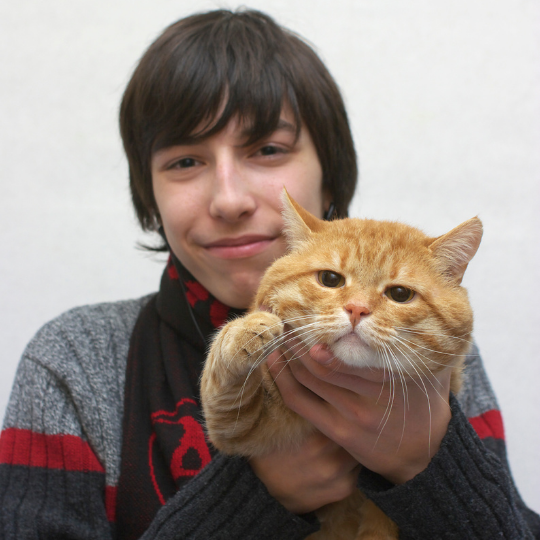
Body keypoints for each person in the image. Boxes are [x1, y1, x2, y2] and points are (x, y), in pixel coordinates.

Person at [0, 8, 538, 540]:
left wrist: (432, 465)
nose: (229, 199)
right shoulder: (73, 364)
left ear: (330, 175)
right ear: (149, 194)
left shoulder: (427, 351)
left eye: (268, 149)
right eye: (185, 161)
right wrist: (260, 493)